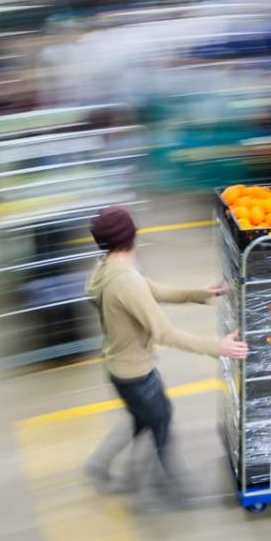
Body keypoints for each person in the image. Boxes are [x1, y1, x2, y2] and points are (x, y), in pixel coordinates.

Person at [83, 205, 248, 504]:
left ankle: (103, 467)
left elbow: (154, 290)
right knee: (160, 420)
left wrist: (200, 293)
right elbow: (165, 334)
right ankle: (171, 487)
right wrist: (217, 347)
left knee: (143, 419)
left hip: (120, 368)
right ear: (132, 235)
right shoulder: (125, 281)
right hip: (135, 372)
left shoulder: (109, 268)